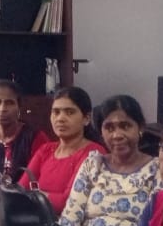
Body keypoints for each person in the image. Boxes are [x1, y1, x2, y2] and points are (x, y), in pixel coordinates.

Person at [58, 95, 160, 226]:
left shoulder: (157, 170)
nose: (117, 135)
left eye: (125, 126)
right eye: (109, 128)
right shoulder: (93, 165)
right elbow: (69, 221)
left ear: (140, 127)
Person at [18, 86, 106, 214]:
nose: (60, 118)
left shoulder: (94, 153)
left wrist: (33, 196)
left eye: (69, 112)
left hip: (71, 224)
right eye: (56, 112)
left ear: (86, 118)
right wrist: (41, 197)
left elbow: (68, 203)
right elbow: (20, 191)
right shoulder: (46, 150)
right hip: (35, 220)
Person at [0, 79, 50, 188]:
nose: (2, 109)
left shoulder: (36, 139)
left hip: (28, 197)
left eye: (9, 103)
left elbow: (41, 183)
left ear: (19, 108)